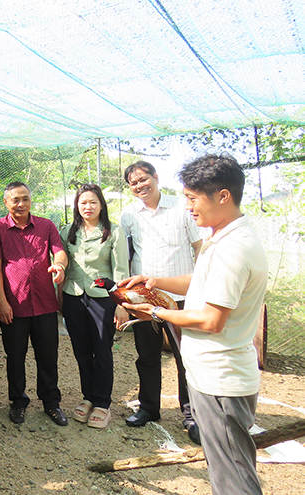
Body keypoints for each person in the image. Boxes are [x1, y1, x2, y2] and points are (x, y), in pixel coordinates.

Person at [122, 153, 266, 495]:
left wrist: (155, 313)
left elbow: (211, 319)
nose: (188, 207)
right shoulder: (223, 237)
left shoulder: (233, 249)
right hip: (217, 374)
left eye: (192, 198)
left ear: (222, 196)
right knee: (226, 469)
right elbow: (199, 280)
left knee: (233, 476)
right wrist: (155, 281)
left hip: (222, 379)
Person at [120, 161, 202, 443]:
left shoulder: (182, 208)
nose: (140, 185)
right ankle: (149, 408)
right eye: (133, 182)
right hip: (144, 300)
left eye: (143, 179)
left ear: (156, 177)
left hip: (181, 298)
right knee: (147, 356)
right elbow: (126, 256)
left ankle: (192, 415)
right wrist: (126, 298)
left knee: (185, 357)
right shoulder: (129, 214)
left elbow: (199, 249)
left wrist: (202, 287)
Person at [0, 181, 68, 426]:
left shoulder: (46, 225)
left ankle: (51, 403)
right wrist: (2, 301)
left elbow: (59, 251)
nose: (20, 204)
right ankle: (18, 402)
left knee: (48, 355)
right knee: (15, 356)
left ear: (31, 200)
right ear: (6, 202)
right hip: (15, 304)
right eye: (15, 200)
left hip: (44, 303)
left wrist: (59, 265)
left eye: (25, 199)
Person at [59, 184, 129, 429]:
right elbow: (60, 260)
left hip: (103, 299)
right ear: (76, 206)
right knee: (81, 350)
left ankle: (102, 403)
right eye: (82, 203)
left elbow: (121, 271)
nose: (87, 207)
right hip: (73, 296)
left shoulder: (113, 232)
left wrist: (122, 304)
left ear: (101, 205)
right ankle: (88, 397)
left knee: (102, 349)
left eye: (92, 202)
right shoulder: (68, 231)